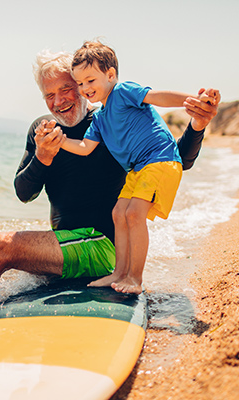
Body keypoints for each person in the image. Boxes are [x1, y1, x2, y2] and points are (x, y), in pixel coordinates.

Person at [0, 50, 220, 298]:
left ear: (83, 87)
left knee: (2, 247)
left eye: (67, 89)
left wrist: (197, 125)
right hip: (68, 242)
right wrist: (42, 157)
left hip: (102, 245)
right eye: (49, 95)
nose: (58, 101)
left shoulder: (108, 122)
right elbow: (24, 193)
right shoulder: (43, 129)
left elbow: (174, 160)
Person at [57, 40, 217, 294]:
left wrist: (192, 100)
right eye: (79, 83)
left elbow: (157, 97)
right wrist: (60, 141)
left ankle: (135, 278)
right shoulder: (99, 118)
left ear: (110, 75)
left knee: (133, 214)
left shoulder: (123, 91)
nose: (84, 88)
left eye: (90, 80)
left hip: (160, 159)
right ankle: (118, 273)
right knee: (118, 213)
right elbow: (85, 147)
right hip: (138, 169)